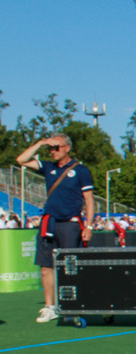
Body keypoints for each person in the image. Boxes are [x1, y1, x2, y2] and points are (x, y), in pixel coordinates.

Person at [15, 133, 95, 322]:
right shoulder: (48, 167)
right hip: (49, 222)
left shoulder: (81, 171)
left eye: (56, 147)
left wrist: (89, 226)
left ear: (67, 148)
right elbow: (21, 160)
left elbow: (89, 201)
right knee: (46, 266)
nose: (52, 151)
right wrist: (41, 142)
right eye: (50, 148)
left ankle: (72, 303)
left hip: (70, 223)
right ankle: (50, 306)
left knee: (70, 266)